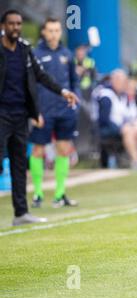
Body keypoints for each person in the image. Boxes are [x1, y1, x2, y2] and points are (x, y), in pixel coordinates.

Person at [0, 10, 78, 226]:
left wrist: (63, 92)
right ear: (3, 26)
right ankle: (33, 199)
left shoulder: (25, 50)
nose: (16, 27)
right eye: (11, 24)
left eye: (18, 24)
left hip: (21, 115)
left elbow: (40, 76)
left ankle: (21, 213)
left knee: (18, 165)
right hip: (2, 114)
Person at [29, 17, 80, 209]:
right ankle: (38, 193)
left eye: (57, 30)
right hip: (43, 111)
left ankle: (60, 193)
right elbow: (31, 84)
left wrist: (76, 100)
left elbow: (74, 82)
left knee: (64, 149)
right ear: (43, 32)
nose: (53, 34)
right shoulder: (35, 54)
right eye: (50, 30)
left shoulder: (67, 54)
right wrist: (34, 109)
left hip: (65, 111)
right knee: (38, 150)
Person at [97, 70, 137, 171]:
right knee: (128, 131)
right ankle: (135, 161)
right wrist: (120, 128)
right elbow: (104, 119)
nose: (124, 84)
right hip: (108, 128)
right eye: (122, 82)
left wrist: (133, 123)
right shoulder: (106, 95)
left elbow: (130, 115)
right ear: (115, 81)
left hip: (124, 126)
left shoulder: (123, 95)